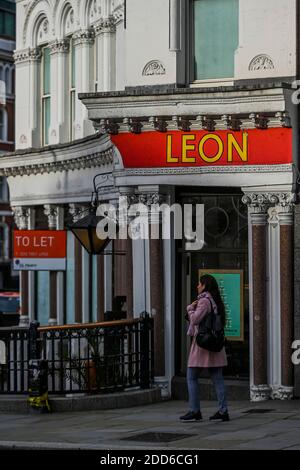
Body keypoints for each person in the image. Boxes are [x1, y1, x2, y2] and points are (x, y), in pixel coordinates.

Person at [180, 274, 229, 422]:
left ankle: (195, 410)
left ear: (205, 285)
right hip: (214, 345)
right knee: (218, 379)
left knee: (191, 377)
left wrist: (189, 308)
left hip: (203, 345)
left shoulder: (204, 301)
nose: (197, 286)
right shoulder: (215, 301)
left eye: (199, 284)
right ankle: (223, 410)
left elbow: (195, 320)